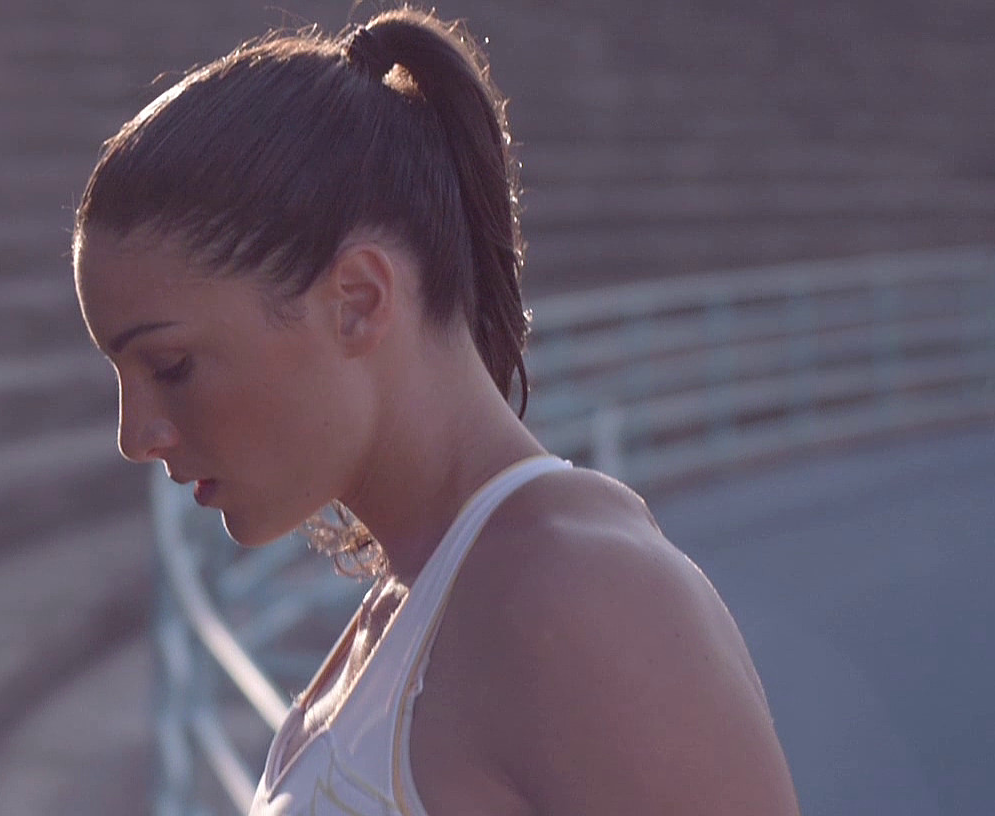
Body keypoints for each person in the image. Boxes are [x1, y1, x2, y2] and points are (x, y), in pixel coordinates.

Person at [70, 6, 801, 815]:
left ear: (357, 300)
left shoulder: (581, 598)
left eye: (171, 367)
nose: (135, 437)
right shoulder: (409, 610)